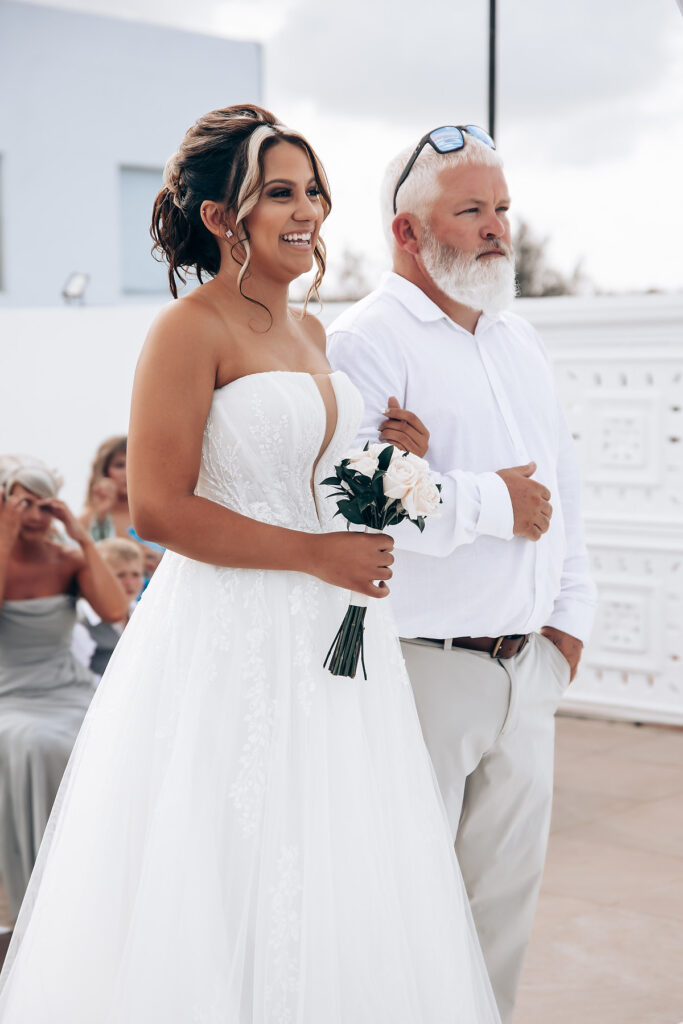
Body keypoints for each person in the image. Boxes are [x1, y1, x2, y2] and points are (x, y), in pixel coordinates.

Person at [0, 106, 501, 1023]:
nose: (306, 209)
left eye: (312, 189)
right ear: (221, 217)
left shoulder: (312, 334)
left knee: (338, 854)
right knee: (224, 854)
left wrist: (396, 458)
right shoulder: (189, 330)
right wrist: (315, 554)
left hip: (332, 645)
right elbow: (159, 505)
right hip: (226, 634)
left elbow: (307, 475)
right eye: (279, 191)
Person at [327, 124, 597, 1023]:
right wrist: (486, 501)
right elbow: (348, 496)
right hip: (419, 669)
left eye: (503, 209)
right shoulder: (361, 343)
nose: (496, 229)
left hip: (528, 672)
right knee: (399, 907)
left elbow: (563, 492)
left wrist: (566, 632)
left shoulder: (519, 341)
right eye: (471, 210)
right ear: (407, 232)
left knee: (499, 915)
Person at [0, 455, 128, 927]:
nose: (34, 517)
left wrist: (80, 539)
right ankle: (43, 896)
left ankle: (103, 881)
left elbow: (116, 608)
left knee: (111, 736)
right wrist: (4, 535)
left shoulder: (66, 559)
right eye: (23, 505)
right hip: (11, 697)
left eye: (43, 506)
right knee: (39, 743)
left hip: (69, 689)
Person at [79, 436, 163, 582]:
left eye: (135, 463)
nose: (128, 472)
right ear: (104, 472)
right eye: (119, 465)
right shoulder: (88, 520)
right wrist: (102, 515)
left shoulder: (161, 515)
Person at [78, 538, 145, 679]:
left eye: (136, 574)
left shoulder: (143, 613)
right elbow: (78, 674)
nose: (130, 583)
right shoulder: (82, 621)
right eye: (120, 575)